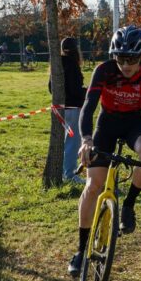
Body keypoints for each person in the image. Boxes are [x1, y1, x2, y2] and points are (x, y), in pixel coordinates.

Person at [70, 25, 141, 276]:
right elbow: (88, 107)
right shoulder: (104, 70)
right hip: (107, 123)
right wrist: (86, 140)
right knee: (93, 186)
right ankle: (81, 249)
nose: (126, 65)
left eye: (132, 59)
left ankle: (129, 205)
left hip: (135, 123)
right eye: (121, 58)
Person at [50, 37, 87, 185]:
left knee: (65, 142)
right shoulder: (72, 65)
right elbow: (75, 90)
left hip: (60, 109)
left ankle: (62, 171)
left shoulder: (57, 64)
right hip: (72, 108)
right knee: (73, 142)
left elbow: (50, 87)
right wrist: (87, 92)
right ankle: (70, 174)